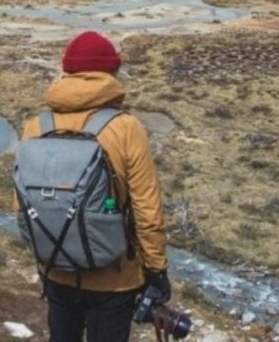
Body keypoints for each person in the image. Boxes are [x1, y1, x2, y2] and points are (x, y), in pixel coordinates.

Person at [18, 30, 170, 342]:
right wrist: (156, 270)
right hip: (113, 278)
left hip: (56, 270)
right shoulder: (126, 128)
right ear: (111, 73)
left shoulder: (36, 126)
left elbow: (20, 204)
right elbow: (147, 210)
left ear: (68, 72)